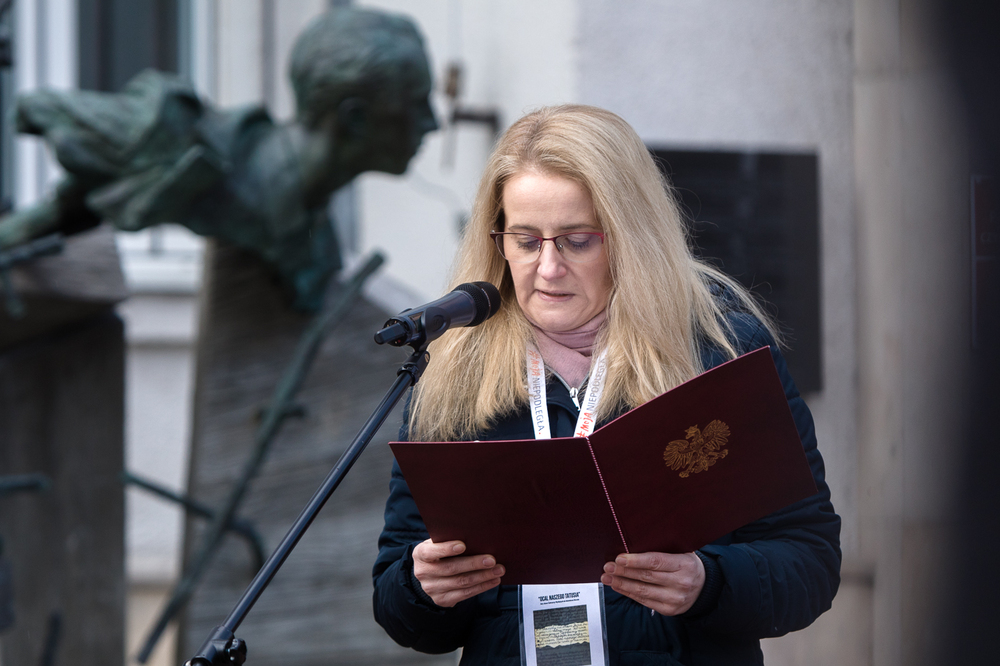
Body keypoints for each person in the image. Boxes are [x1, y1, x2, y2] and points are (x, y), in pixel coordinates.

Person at [372, 105, 841, 665]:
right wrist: (423, 586)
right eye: (526, 240)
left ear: (628, 236)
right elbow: (399, 608)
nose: (548, 268)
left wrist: (708, 583)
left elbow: (810, 561)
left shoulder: (720, 351)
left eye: (576, 240)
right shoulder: (454, 374)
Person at [0, 6, 437, 311]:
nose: (433, 123)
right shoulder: (184, 143)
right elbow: (43, 118)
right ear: (355, 120)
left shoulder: (314, 230)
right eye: (416, 105)